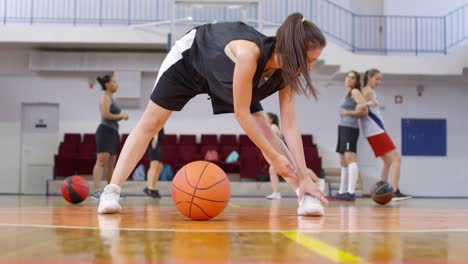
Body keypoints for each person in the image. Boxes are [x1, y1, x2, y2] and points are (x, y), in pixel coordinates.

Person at [98, 12, 328, 216]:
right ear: (292, 50)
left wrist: (304, 176)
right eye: (308, 60)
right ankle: (111, 192)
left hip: (228, 75)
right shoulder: (250, 53)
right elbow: (241, 113)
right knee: (150, 124)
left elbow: (289, 126)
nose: (309, 68)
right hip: (191, 59)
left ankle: (304, 194)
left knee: (267, 130)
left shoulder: (287, 72)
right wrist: (273, 156)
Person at [361, 69, 412, 201]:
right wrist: (367, 103)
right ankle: (395, 191)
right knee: (397, 159)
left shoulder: (369, 91)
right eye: (377, 79)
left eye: (380, 79)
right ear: (369, 77)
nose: (379, 82)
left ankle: (380, 191)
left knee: (388, 161)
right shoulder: (367, 91)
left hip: (374, 131)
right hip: (375, 131)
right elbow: (360, 107)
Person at [91, 75, 128, 199]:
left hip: (113, 132)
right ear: (106, 84)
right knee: (101, 161)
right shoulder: (105, 97)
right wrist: (121, 116)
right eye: (113, 82)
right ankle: (96, 191)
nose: (115, 84)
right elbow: (106, 115)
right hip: (105, 131)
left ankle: (110, 191)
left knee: (111, 163)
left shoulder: (112, 97)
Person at [335, 71, 368, 201]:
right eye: (348, 76)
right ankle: (342, 191)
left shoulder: (355, 92)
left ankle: (351, 192)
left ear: (356, 81)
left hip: (350, 128)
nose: (349, 79)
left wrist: (347, 112)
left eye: (352, 77)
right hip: (343, 128)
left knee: (350, 158)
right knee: (343, 161)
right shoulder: (348, 93)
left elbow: (364, 110)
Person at [265, 112, 283, 200]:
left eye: (266, 116)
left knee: (294, 172)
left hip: (280, 153)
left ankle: (316, 181)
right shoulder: (271, 128)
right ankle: (276, 193)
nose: (264, 117)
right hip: (277, 154)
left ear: (271, 118)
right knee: (272, 171)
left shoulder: (273, 127)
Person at [143, 127, 165, 198]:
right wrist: (155, 138)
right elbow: (155, 123)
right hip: (153, 139)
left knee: (159, 166)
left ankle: (153, 187)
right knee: (154, 164)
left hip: (158, 141)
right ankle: (150, 188)